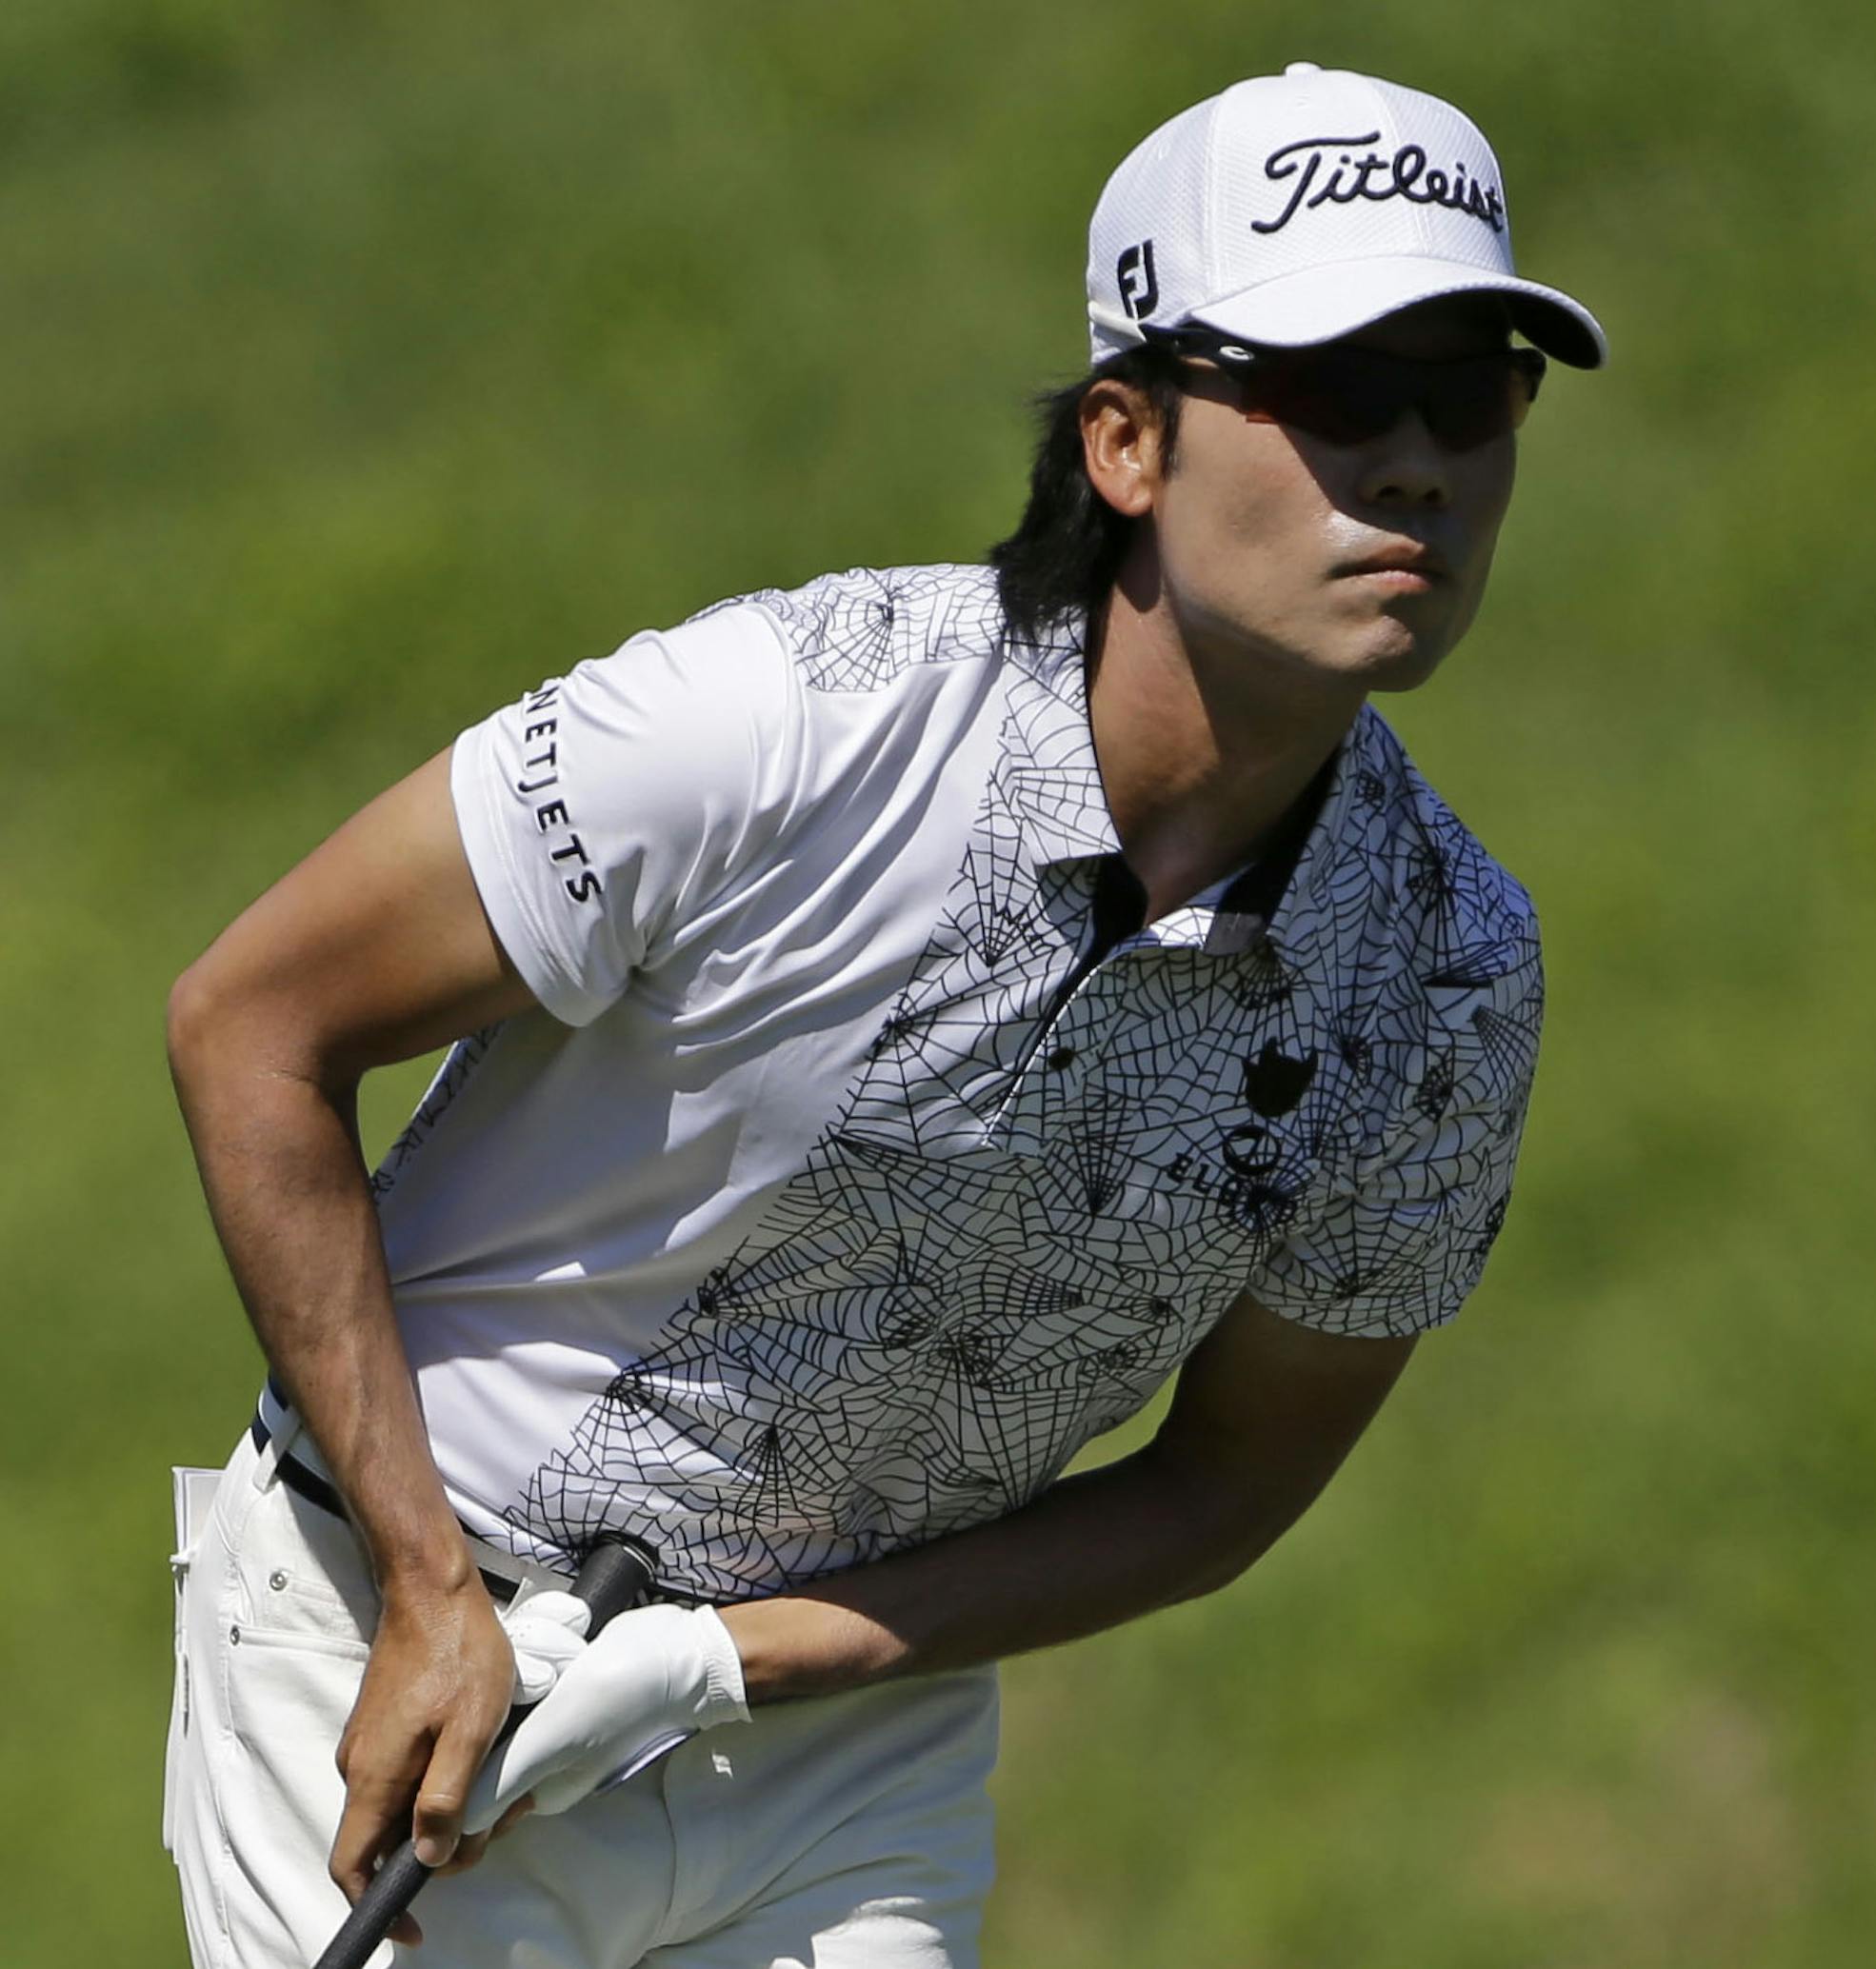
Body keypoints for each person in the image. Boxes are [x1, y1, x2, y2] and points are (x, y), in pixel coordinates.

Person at [163, 60, 1605, 1969]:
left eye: (1476, 385)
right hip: (391, 1655)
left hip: (842, 1751)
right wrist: (431, 1584)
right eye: (1338, 390)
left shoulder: (1446, 975)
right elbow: (252, 1019)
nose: (1417, 460)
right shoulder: (782, 720)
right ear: (1126, 444)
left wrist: (713, 1664)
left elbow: (1230, 1480)